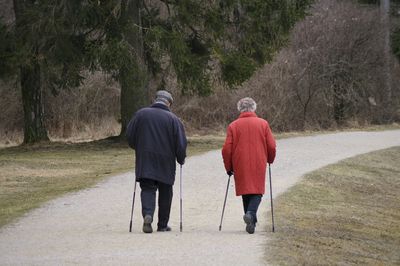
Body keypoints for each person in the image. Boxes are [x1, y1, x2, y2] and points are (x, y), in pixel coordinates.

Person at [126, 90, 187, 233]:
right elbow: (181, 144)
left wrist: (138, 147)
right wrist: (181, 158)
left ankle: (148, 215)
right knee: (166, 192)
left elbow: (129, 135)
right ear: (169, 103)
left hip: (145, 159)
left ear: (155, 100)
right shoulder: (173, 119)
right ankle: (162, 225)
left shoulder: (141, 114)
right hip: (166, 162)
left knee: (147, 188)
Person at [222, 97, 276, 234]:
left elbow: (226, 149)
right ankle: (251, 214)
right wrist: (270, 159)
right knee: (257, 190)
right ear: (254, 108)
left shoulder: (233, 126)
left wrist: (229, 167)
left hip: (240, 162)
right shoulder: (263, 124)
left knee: (246, 190)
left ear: (240, 109)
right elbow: (271, 145)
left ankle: (251, 220)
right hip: (259, 161)